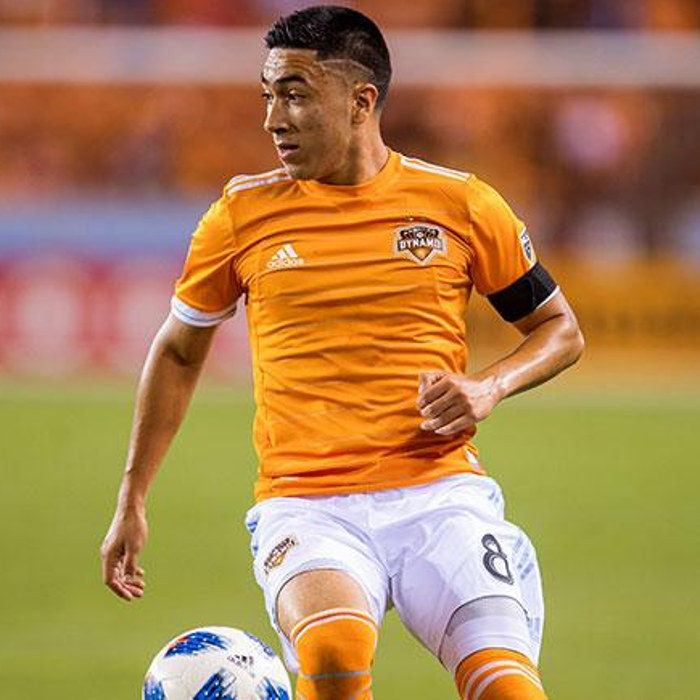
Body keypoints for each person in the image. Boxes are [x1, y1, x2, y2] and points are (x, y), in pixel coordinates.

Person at [101, 6, 584, 699]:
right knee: (333, 653)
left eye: (294, 94)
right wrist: (132, 497)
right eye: (267, 96)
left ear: (361, 101)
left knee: (509, 689)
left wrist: (489, 385)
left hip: (440, 496)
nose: (273, 119)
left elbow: (560, 329)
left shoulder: (461, 204)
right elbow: (179, 352)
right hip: (308, 504)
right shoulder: (240, 216)